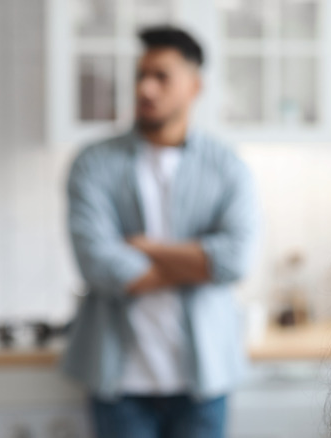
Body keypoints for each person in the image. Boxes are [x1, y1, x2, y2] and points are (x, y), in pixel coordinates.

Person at [62, 26, 259, 438]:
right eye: (141, 75)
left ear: (194, 86)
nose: (145, 88)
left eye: (161, 77)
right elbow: (98, 265)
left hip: (204, 380)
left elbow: (235, 260)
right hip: (118, 384)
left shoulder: (226, 165)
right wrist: (200, 264)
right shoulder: (92, 162)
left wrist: (146, 248)